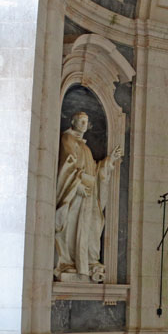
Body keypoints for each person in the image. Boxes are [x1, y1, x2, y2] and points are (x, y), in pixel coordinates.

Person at [54, 111, 123, 282]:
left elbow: (94, 169)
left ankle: (88, 263)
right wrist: (77, 187)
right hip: (75, 195)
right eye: (81, 121)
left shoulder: (85, 147)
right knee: (71, 228)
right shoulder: (68, 140)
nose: (84, 124)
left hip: (89, 195)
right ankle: (69, 262)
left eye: (86, 121)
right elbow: (66, 168)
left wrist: (109, 161)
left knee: (92, 226)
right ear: (73, 121)